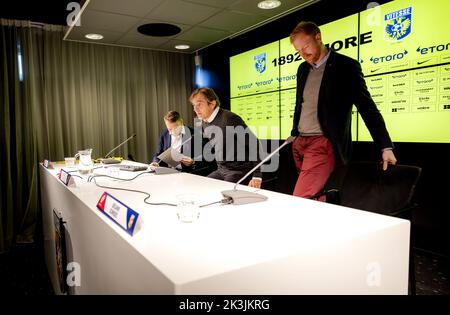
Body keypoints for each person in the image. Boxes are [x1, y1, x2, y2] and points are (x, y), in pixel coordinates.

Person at [289, 21, 397, 199]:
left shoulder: (345, 66)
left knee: (301, 198)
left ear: (318, 36)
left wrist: (385, 146)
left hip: (322, 143)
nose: (303, 54)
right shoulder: (302, 69)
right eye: (298, 51)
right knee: (316, 195)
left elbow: (367, 107)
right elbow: (300, 104)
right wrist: (294, 133)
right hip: (300, 143)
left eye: (306, 46)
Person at [189, 88, 262, 188]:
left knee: (222, 195)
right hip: (221, 170)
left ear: (212, 103)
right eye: (194, 105)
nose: (195, 109)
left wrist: (257, 175)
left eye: (199, 104)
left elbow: (254, 143)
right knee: (201, 188)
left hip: (239, 170)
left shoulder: (230, 119)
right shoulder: (203, 122)